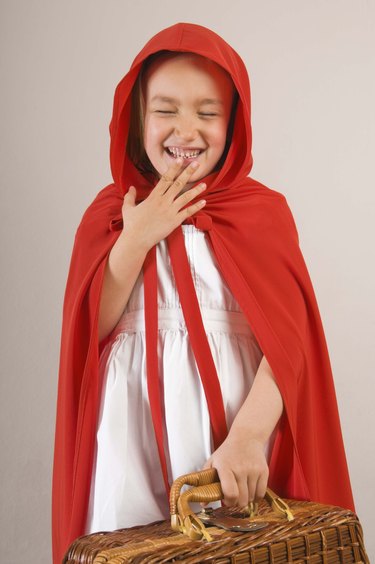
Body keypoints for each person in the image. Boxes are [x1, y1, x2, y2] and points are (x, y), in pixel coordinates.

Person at [52, 22, 354, 564]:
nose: (185, 129)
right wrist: (139, 235)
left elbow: (291, 343)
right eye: (165, 110)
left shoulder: (262, 212)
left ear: (234, 123)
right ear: (136, 119)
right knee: (134, 548)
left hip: (235, 425)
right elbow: (86, 334)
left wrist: (250, 435)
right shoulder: (111, 214)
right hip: (131, 427)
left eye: (207, 112)